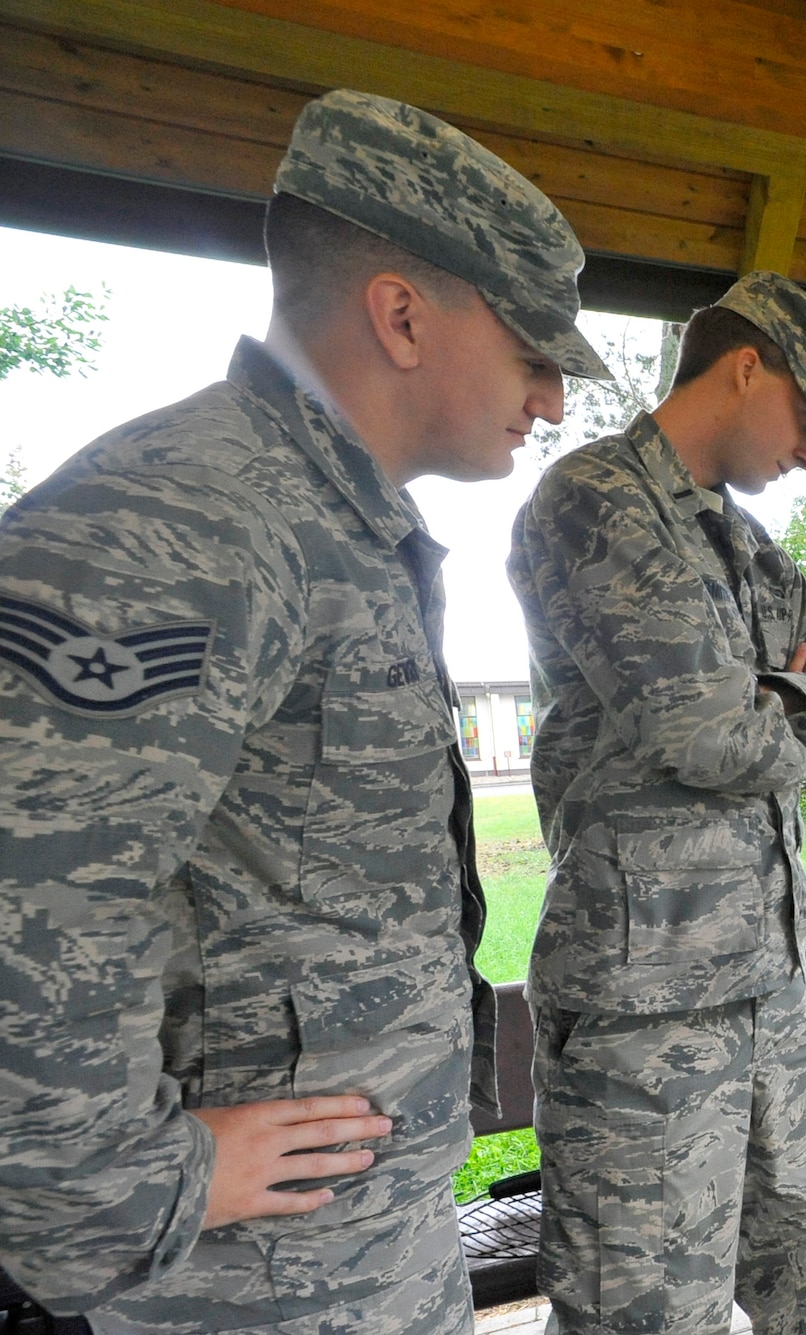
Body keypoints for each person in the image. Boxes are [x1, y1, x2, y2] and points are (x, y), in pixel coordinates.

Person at [0, 89, 609, 1333]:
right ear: (400, 314)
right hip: (241, 1287)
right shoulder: (180, 518)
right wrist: (136, 1193)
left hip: (360, 1245)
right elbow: (33, 903)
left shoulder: (330, 519)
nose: (551, 401)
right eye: (534, 354)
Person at [509, 270, 806, 1335]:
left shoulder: (737, 540)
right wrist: (787, 698)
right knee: (644, 1317)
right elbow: (706, 735)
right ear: (743, 368)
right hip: (643, 1008)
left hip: (765, 987)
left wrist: (776, 692)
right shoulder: (590, 499)